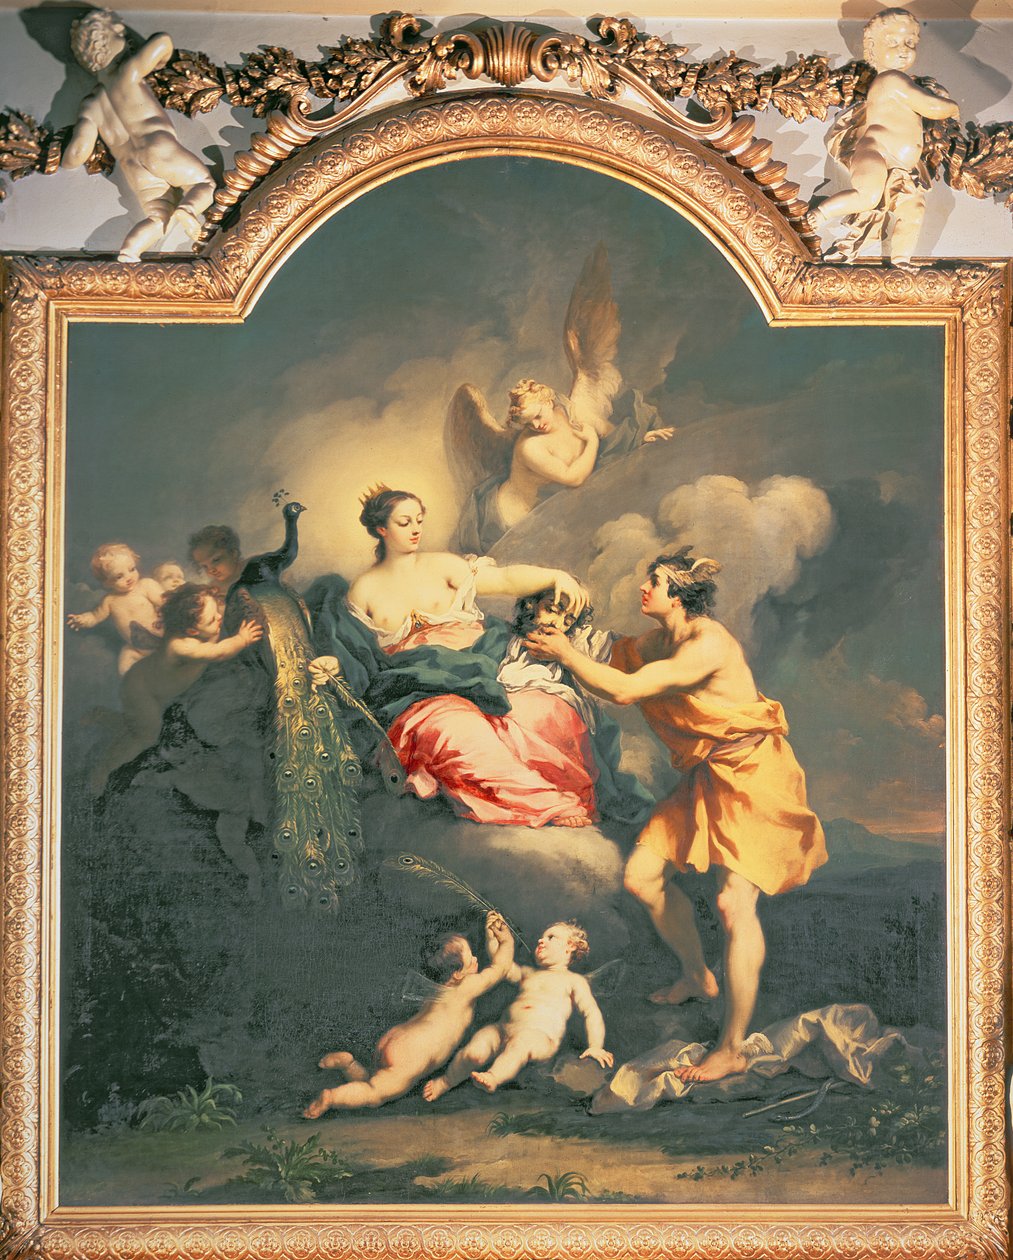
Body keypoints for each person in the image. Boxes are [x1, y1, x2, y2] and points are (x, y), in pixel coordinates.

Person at [526, 548, 827, 1084]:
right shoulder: (659, 640)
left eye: (656, 581)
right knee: (642, 878)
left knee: (734, 904)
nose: (645, 588)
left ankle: (731, 1048)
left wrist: (566, 653)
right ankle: (696, 975)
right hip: (710, 776)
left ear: (681, 595)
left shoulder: (708, 643)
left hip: (754, 778)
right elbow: (613, 656)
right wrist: (560, 628)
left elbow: (623, 689)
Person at [334, 488, 641, 827]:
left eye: (419, 520)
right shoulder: (363, 589)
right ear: (381, 529)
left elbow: (505, 579)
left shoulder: (443, 565)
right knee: (453, 731)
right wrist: (333, 665)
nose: (416, 529)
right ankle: (548, 804)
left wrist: (557, 577)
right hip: (420, 685)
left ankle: (567, 795)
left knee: (545, 711)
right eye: (404, 522)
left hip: (487, 666)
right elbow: (352, 651)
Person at [303, 911, 514, 1116]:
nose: (476, 959)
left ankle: (349, 1064)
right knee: (374, 1093)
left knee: (374, 1079)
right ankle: (331, 1098)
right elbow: (501, 967)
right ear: (458, 974)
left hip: (397, 1038)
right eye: (471, 958)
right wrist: (506, 941)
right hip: (411, 1052)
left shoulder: (437, 988)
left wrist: (491, 937)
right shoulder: (466, 987)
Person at [62, 9, 216, 263]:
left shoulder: (91, 104)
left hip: (133, 168)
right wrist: (159, 62)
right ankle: (188, 209)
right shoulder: (127, 73)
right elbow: (162, 41)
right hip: (157, 146)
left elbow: (77, 154)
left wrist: (62, 157)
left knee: (157, 216)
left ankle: (130, 252)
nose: (126, 39)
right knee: (202, 183)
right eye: (120, 34)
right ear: (106, 42)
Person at [810, 8, 959, 269]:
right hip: (876, 153)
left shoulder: (903, 80)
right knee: (867, 196)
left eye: (910, 43)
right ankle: (821, 213)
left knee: (914, 209)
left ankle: (900, 259)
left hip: (902, 168)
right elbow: (931, 107)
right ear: (872, 47)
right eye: (893, 42)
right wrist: (952, 107)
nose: (904, 50)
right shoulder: (891, 79)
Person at [92, 583, 262, 793]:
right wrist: (242, 639)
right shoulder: (180, 645)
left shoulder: (195, 627)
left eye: (216, 613)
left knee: (144, 721)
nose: (219, 617)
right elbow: (218, 652)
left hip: (158, 689)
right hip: (142, 691)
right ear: (192, 630)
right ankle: (104, 770)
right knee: (147, 735)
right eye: (212, 619)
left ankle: (109, 718)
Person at [424, 919, 613, 1098]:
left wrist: (595, 1046)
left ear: (570, 946)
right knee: (475, 1050)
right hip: (502, 1030)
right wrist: (493, 937)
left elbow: (591, 1012)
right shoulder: (528, 974)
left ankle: (493, 1077)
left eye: (551, 937)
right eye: (542, 937)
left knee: (520, 1044)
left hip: (539, 1038)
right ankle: (446, 1081)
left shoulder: (573, 981)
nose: (541, 940)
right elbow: (502, 965)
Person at [67, 542, 164, 674]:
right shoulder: (110, 601)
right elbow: (95, 616)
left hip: (164, 638)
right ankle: (130, 681)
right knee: (126, 658)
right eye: (119, 576)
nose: (129, 577)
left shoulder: (145, 585)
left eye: (132, 569)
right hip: (138, 650)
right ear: (107, 582)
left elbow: (165, 602)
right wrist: (83, 619)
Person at [188, 525, 245, 603]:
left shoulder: (252, 570)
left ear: (233, 553)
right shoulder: (214, 589)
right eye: (205, 566)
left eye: (215, 560)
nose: (211, 570)